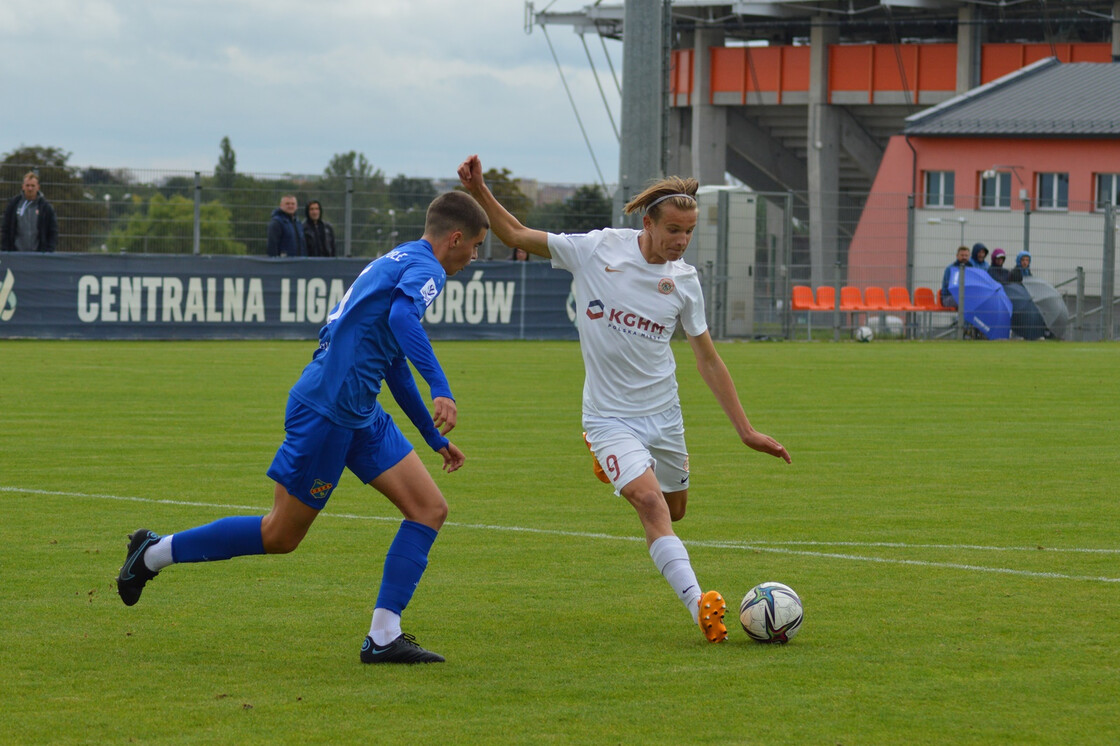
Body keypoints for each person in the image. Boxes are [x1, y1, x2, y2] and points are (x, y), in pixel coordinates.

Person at [116, 191, 490, 665]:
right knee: (280, 535)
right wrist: (441, 386)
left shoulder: (397, 261)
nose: (474, 257)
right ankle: (152, 554)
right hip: (329, 408)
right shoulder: (428, 269)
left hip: (358, 408)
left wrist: (433, 437)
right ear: (454, 238)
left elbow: (393, 363)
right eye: (475, 246)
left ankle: (383, 636)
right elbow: (400, 318)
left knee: (429, 508)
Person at [458, 154, 790, 644]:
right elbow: (516, 236)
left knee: (675, 511)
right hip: (609, 417)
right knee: (650, 503)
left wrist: (746, 431)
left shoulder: (685, 281)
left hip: (664, 415)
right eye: (673, 229)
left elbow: (708, 360)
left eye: (689, 232)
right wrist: (480, 190)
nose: (680, 241)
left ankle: (620, 469)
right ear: (647, 221)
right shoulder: (597, 250)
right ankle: (701, 605)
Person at [1, 172, 59, 253]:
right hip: (16, 254)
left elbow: (53, 230)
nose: (30, 188)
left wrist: (49, 250)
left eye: (33, 186)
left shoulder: (45, 207)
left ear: (38, 187)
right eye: (27, 185)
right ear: (23, 187)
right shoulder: (13, 205)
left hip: (38, 255)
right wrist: (5, 249)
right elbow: (6, 228)